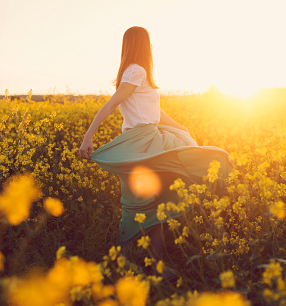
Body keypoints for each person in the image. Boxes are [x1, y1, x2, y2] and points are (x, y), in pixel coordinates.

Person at [79, 26, 232, 263]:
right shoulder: (136, 71)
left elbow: (154, 111)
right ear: (143, 45)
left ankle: (140, 265)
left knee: (146, 204)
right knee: (143, 205)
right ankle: (143, 266)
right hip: (143, 141)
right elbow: (110, 106)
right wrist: (88, 136)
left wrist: (180, 128)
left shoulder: (134, 73)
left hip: (144, 140)